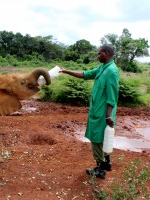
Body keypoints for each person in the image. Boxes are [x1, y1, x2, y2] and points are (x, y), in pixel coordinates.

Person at [60, 44, 119, 179]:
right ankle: (107, 163)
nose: (97, 56)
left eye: (99, 54)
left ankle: (100, 169)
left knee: (96, 139)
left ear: (106, 53)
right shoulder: (102, 68)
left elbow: (112, 95)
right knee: (103, 138)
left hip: (103, 113)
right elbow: (85, 74)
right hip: (98, 111)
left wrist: (108, 116)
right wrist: (66, 71)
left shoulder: (111, 71)